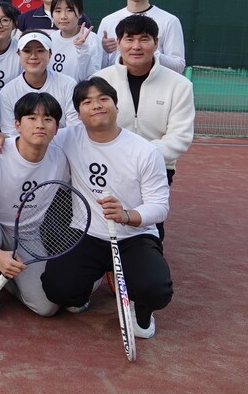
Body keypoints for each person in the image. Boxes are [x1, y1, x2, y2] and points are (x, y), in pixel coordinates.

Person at [41, 77, 173, 340]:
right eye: (87, 102)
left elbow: (159, 207)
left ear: (116, 106)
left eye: (103, 99)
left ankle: (141, 308)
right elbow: (28, 140)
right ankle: (96, 277)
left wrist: (127, 215)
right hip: (86, 234)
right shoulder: (67, 138)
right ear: (78, 114)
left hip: (133, 237)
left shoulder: (145, 151)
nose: (96, 106)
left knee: (156, 290)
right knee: (58, 291)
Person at [0, 92, 70, 324]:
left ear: (57, 128)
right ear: (17, 125)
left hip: (28, 235)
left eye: (48, 119)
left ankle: (5, 279)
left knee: (46, 307)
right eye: (31, 118)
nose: (40, 124)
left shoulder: (61, 159)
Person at [93, 14, 194, 239]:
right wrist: (116, 158)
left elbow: (180, 137)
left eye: (144, 39)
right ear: (118, 43)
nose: (136, 46)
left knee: (149, 228)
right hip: (108, 166)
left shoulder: (180, 86)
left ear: (156, 44)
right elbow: (91, 128)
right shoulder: (99, 81)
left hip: (158, 168)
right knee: (103, 226)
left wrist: (141, 157)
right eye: (129, 39)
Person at [98, 0, 186, 73]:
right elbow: (97, 68)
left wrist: (150, 49)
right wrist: (103, 51)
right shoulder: (107, 21)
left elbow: (178, 66)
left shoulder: (169, 21)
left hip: (155, 87)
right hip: (115, 89)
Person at [0, 31, 79, 131]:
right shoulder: (8, 91)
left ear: (50, 54)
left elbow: (74, 128)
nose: (33, 56)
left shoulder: (68, 84)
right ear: (19, 54)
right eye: (27, 51)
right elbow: (10, 133)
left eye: (40, 51)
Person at [49, 0, 102, 82]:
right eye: (58, 11)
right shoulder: (51, 38)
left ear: (80, 13)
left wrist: (82, 49)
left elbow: (91, 77)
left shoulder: (91, 39)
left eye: (69, 10)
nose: (63, 16)